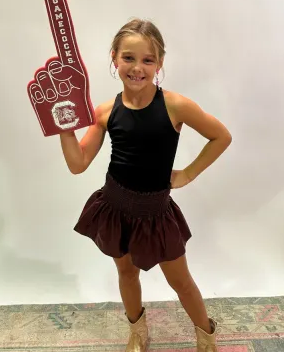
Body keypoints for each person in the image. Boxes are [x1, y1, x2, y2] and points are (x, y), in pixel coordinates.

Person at [59, 19, 232, 352]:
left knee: (180, 280)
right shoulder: (106, 111)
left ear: (159, 63)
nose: (137, 68)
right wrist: (64, 129)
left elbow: (221, 136)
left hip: (156, 212)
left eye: (147, 60)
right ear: (114, 58)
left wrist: (188, 173)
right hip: (115, 207)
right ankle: (137, 330)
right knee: (126, 272)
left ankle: (206, 334)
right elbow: (78, 164)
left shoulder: (175, 106)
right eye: (128, 58)